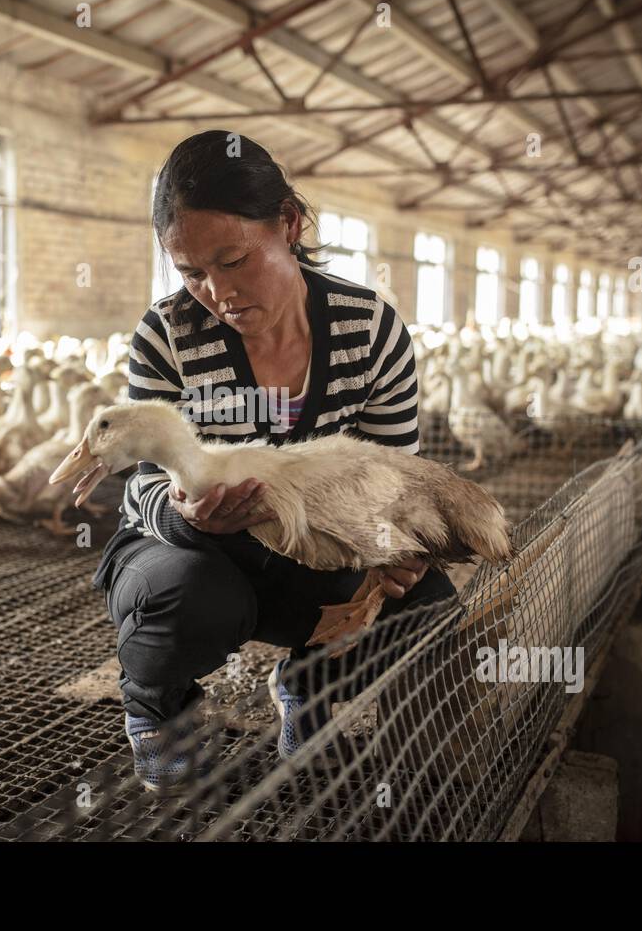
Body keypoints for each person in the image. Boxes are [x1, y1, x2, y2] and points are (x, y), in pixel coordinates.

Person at [91, 130, 457, 792]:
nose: (217, 292)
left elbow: (394, 480)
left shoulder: (368, 329)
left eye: (233, 260)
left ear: (288, 223)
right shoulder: (167, 334)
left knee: (426, 609)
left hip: (318, 553)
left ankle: (308, 683)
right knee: (177, 595)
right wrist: (185, 515)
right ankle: (161, 713)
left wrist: (398, 545)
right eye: (192, 273)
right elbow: (143, 483)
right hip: (197, 556)